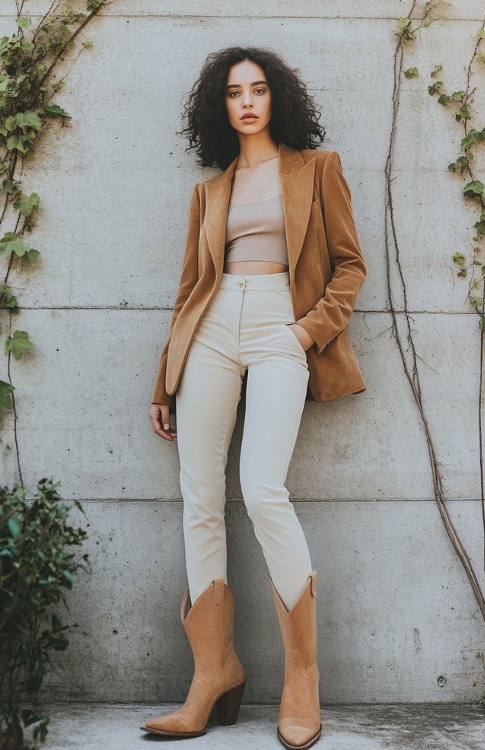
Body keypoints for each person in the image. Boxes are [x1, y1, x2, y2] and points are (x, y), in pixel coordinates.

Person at [141, 46, 366, 750]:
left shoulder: (318, 169)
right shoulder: (210, 193)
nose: (246, 101)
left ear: (278, 100)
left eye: (258, 89)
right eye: (234, 92)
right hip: (210, 332)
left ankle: (302, 675)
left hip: (280, 327)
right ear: (221, 107)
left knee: (263, 487)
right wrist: (164, 381)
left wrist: (305, 332)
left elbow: (351, 266)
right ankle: (213, 671)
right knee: (199, 493)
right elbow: (189, 292)